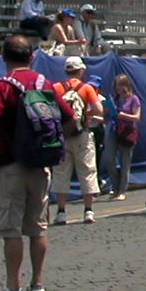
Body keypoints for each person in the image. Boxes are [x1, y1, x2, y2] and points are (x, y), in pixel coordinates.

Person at [0, 34, 72, 291]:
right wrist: (54, 145)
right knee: (38, 227)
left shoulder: (1, 87)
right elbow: (69, 118)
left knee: (11, 229)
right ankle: (37, 284)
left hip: (11, 165)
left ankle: (13, 289)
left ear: (3, 56)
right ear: (32, 56)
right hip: (41, 165)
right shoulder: (45, 84)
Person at [51, 57, 103, 225]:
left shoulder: (56, 88)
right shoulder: (86, 88)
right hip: (82, 134)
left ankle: (61, 211)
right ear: (81, 70)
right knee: (87, 171)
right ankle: (88, 210)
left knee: (60, 173)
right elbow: (99, 110)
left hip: (63, 135)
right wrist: (85, 114)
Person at [108, 74, 141, 201]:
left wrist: (123, 115)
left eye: (120, 85)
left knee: (125, 162)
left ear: (125, 85)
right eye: (116, 85)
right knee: (109, 159)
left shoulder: (133, 99)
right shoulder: (115, 100)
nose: (117, 88)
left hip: (127, 131)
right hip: (114, 130)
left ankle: (122, 190)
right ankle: (115, 187)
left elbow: (137, 117)